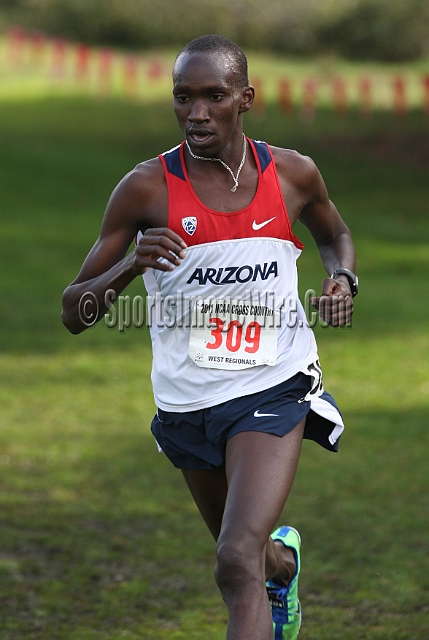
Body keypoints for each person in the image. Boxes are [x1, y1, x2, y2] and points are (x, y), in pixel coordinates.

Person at [62, 34, 356, 640]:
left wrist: (342, 281)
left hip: (274, 385)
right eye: (183, 97)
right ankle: (287, 566)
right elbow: (74, 311)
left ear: (245, 98)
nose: (197, 113)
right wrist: (128, 267)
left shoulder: (293, 174)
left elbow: (334, 235)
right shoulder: (146, 189)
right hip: (187, 402)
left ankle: (266, 575)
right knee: (249, 556)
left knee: (233, 561)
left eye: (214, 96)